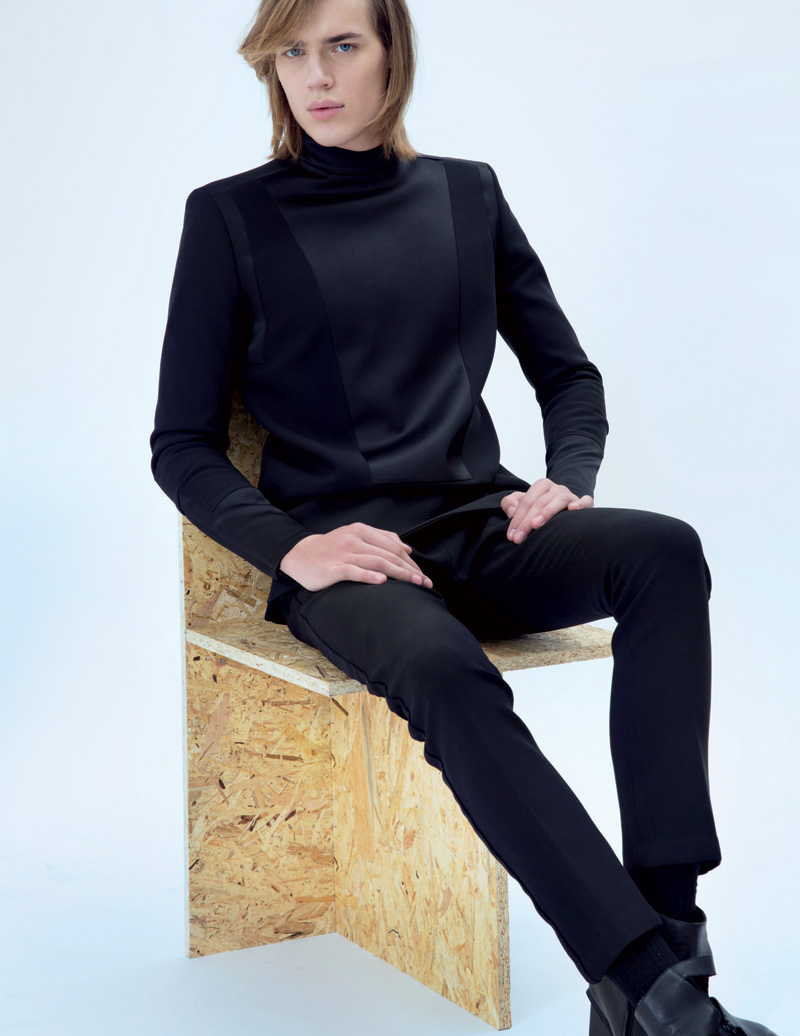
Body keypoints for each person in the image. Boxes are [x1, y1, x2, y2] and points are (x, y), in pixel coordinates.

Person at [149, 1, 780, 1033]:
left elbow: (567, 375)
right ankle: (645, 987)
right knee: (445, 671)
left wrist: (565, 478)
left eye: (342, 45)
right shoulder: (228, 217)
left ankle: (671, 933)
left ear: (391, 53)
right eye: (293, 51)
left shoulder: (466, 194)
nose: (315, 75)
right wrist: (297, 548)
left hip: (482, 528)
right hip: (352, 558)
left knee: (664, 553)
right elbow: (180, 444)